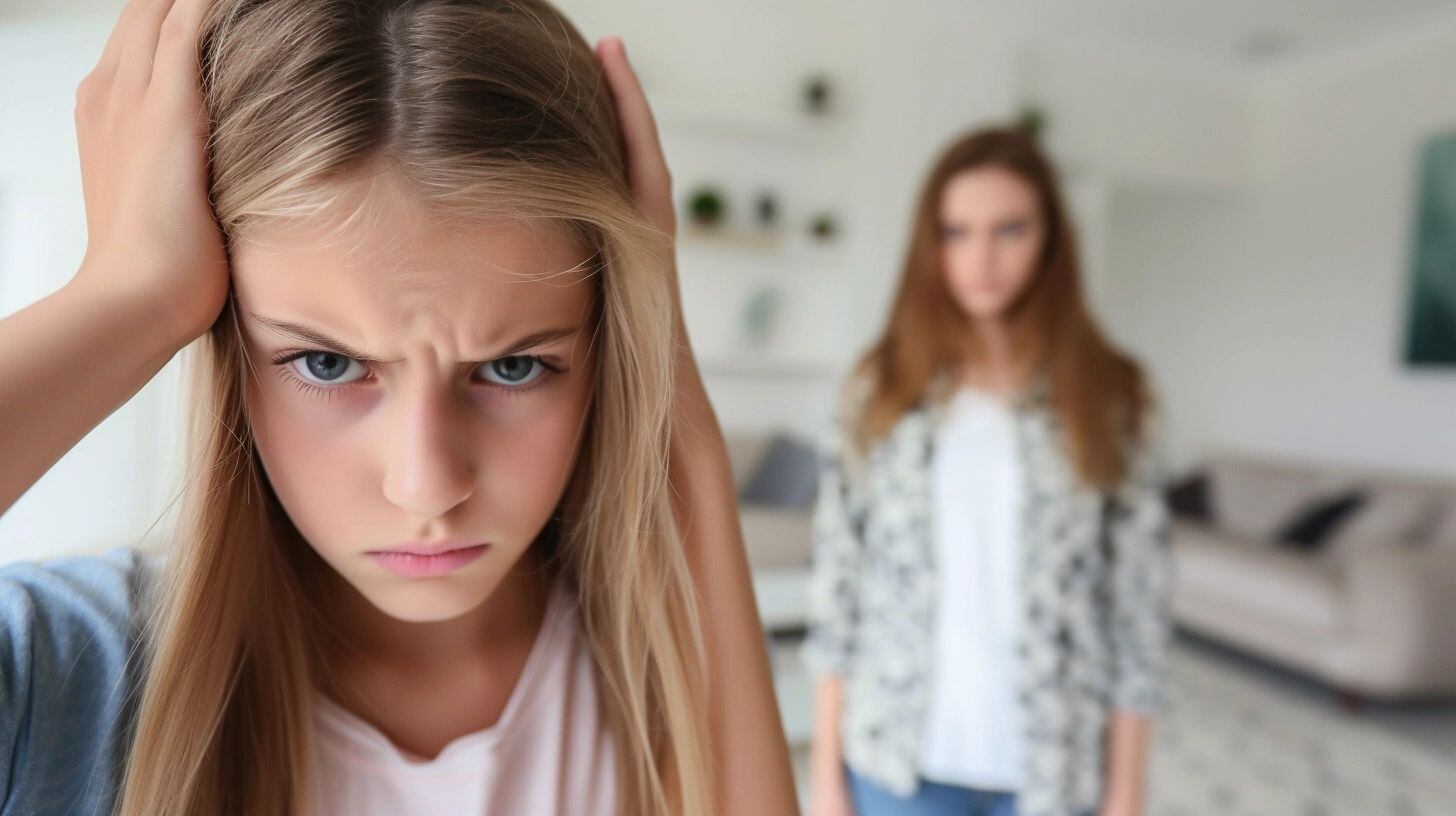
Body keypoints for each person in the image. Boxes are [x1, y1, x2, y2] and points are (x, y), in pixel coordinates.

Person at [0, 0, 798, 813]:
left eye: (516, 366)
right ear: (229, 347)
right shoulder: (65, 675)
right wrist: (126, 295)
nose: (426, 486)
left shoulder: (646, 680)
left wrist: (681, 420)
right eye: (327, 361)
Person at [803, 126, 1173, 816]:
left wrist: (1127, 792)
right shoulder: (877, 389)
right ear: (928, 243)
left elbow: (1136, 610)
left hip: (1054, 765)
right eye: (956, 232)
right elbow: (838, 592)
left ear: (1050, 240)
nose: (982, 258)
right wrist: (826, 778)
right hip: (897, 760)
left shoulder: (1115, 395)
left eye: (1009, 230)